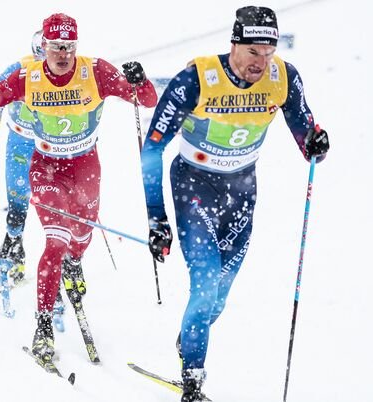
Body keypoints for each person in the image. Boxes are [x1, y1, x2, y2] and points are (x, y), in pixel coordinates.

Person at [140, 6, 329, 401]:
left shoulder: (283, 78)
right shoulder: (196, 79)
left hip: (242, 191)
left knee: (217, 298)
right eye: (253, 52)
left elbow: (305, 129)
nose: (261, 63)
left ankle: (190, 335)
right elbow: (152, 149)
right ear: (234, 44)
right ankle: (193, 378)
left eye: (268, 52)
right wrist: (157, 218)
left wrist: (315, 142)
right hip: (193, 185)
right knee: (206, 285)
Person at [0, 13, 157, 363]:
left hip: (86, 166)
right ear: (44, 47)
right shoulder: (27, 76)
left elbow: (146, 101)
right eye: (56, 46)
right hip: (46, 168)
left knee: (82, 238)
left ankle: (74, 264)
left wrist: (140, 80)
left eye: (69, 46)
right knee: (56, 240)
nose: (63, 53)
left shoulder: (96, 71)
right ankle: (43, 327)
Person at [0, 30, 45, 287]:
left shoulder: (65, 73)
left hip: (51, 145)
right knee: (17, 199)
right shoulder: (21, 68)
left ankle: (64, 259)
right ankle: (14, 245)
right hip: (20, 141)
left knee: (56, 203)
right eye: (41, 55)